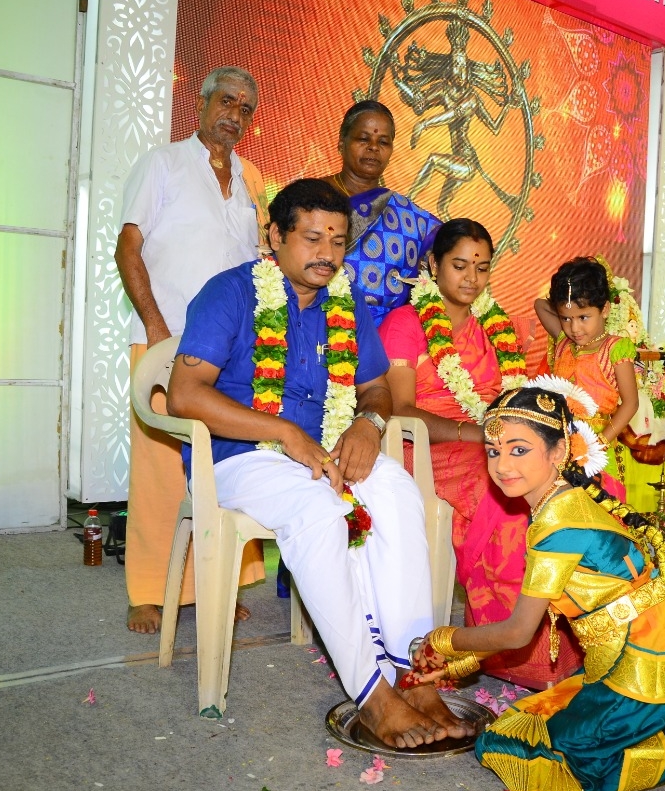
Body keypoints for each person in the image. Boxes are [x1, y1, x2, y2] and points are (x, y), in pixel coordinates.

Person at [165, 178, 471, 748]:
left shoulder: (344, 300)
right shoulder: (229, 293)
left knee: (399, 493)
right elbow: (184, 395)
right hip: (241, 456)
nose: (327, 253)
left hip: (327, 446)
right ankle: (372, 695)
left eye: (337, 240)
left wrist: (367, 423)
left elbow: (376, 387)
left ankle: (414, 672)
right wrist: (284, 433)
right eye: (311, 238)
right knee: (317, 510)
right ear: (274, 238)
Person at [406, 384, 665, 791]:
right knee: (524, 720)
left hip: (646, 662)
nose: (502, 465)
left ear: (559, 450)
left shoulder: (556, 526)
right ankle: (660, 719)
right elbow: (528, 627)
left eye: (519, 450)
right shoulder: (567, 497)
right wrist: (459, 665)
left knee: (514, 751)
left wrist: (443, 640)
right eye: (493, 450)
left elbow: (517, 632)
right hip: (655, 643)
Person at [378, 219, 583, 689]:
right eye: (460, 265)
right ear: (433, 264)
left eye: (482, 267)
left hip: (490, 444)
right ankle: (513, 651)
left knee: (566, 479)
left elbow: (509, 400)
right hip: (426, 448)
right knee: (507, 490)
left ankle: (571, 641)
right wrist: (477, 435)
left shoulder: (493, 326)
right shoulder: (405, 324)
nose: (472, 277)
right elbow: (399, 410)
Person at [115, 66, 270, 634]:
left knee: (225, 464)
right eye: (226, 101)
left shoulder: (253, 178)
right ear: (202, 104)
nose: (235, 114)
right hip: (169, 341)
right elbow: (127, 248)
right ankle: (148, 591)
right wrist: (157, 329)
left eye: (246, 108)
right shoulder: (162, 164)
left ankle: (218, 584)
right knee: (160, 470)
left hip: (230, 352)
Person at [323, 100, 441, 326]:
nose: (373, 147)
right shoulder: (310, 197)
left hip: (387, 335)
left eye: (383, 142)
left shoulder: (407, 215)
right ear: (341, 143)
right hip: (318, 323)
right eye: (363, 139)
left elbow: (449, 251)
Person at [535, 257, 639, 495]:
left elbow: (631, 403)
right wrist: (567, 294)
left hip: (597, 448)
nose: (574, 328)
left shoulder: (615, 348)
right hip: (559, 441)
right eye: (566, 318)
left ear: (605, 309)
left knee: (596, 506)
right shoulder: (564, 341)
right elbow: (539, 304)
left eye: (583, 317)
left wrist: (599, 444)